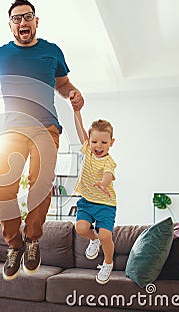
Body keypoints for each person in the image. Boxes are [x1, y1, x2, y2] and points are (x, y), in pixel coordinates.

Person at [0, 0, 84, 281]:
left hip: (45, 128)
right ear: (11, 25)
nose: (23, 22)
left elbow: (63, 84)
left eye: (28, 17)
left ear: (36, 21)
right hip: (11, 130)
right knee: (3, 190)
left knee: (41, 182)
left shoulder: (52, 52)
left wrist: (73, 93)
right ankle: (15, 245)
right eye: (17, 18)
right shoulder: (0, 55)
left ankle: (33, 239)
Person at [71, 101, 117, 285]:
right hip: (87, 201)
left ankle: (108, 263)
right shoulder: (88, 152)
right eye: (94, 141)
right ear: (89, 142)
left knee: (106, 235)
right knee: (81, 228)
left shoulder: (109, 161)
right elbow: (79, 128)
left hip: (105, 204)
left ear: (111, 143)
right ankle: (94, 240)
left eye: (104, 142)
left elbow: (108, 174)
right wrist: (76, 111)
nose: (98, 146)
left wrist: (104, 184)